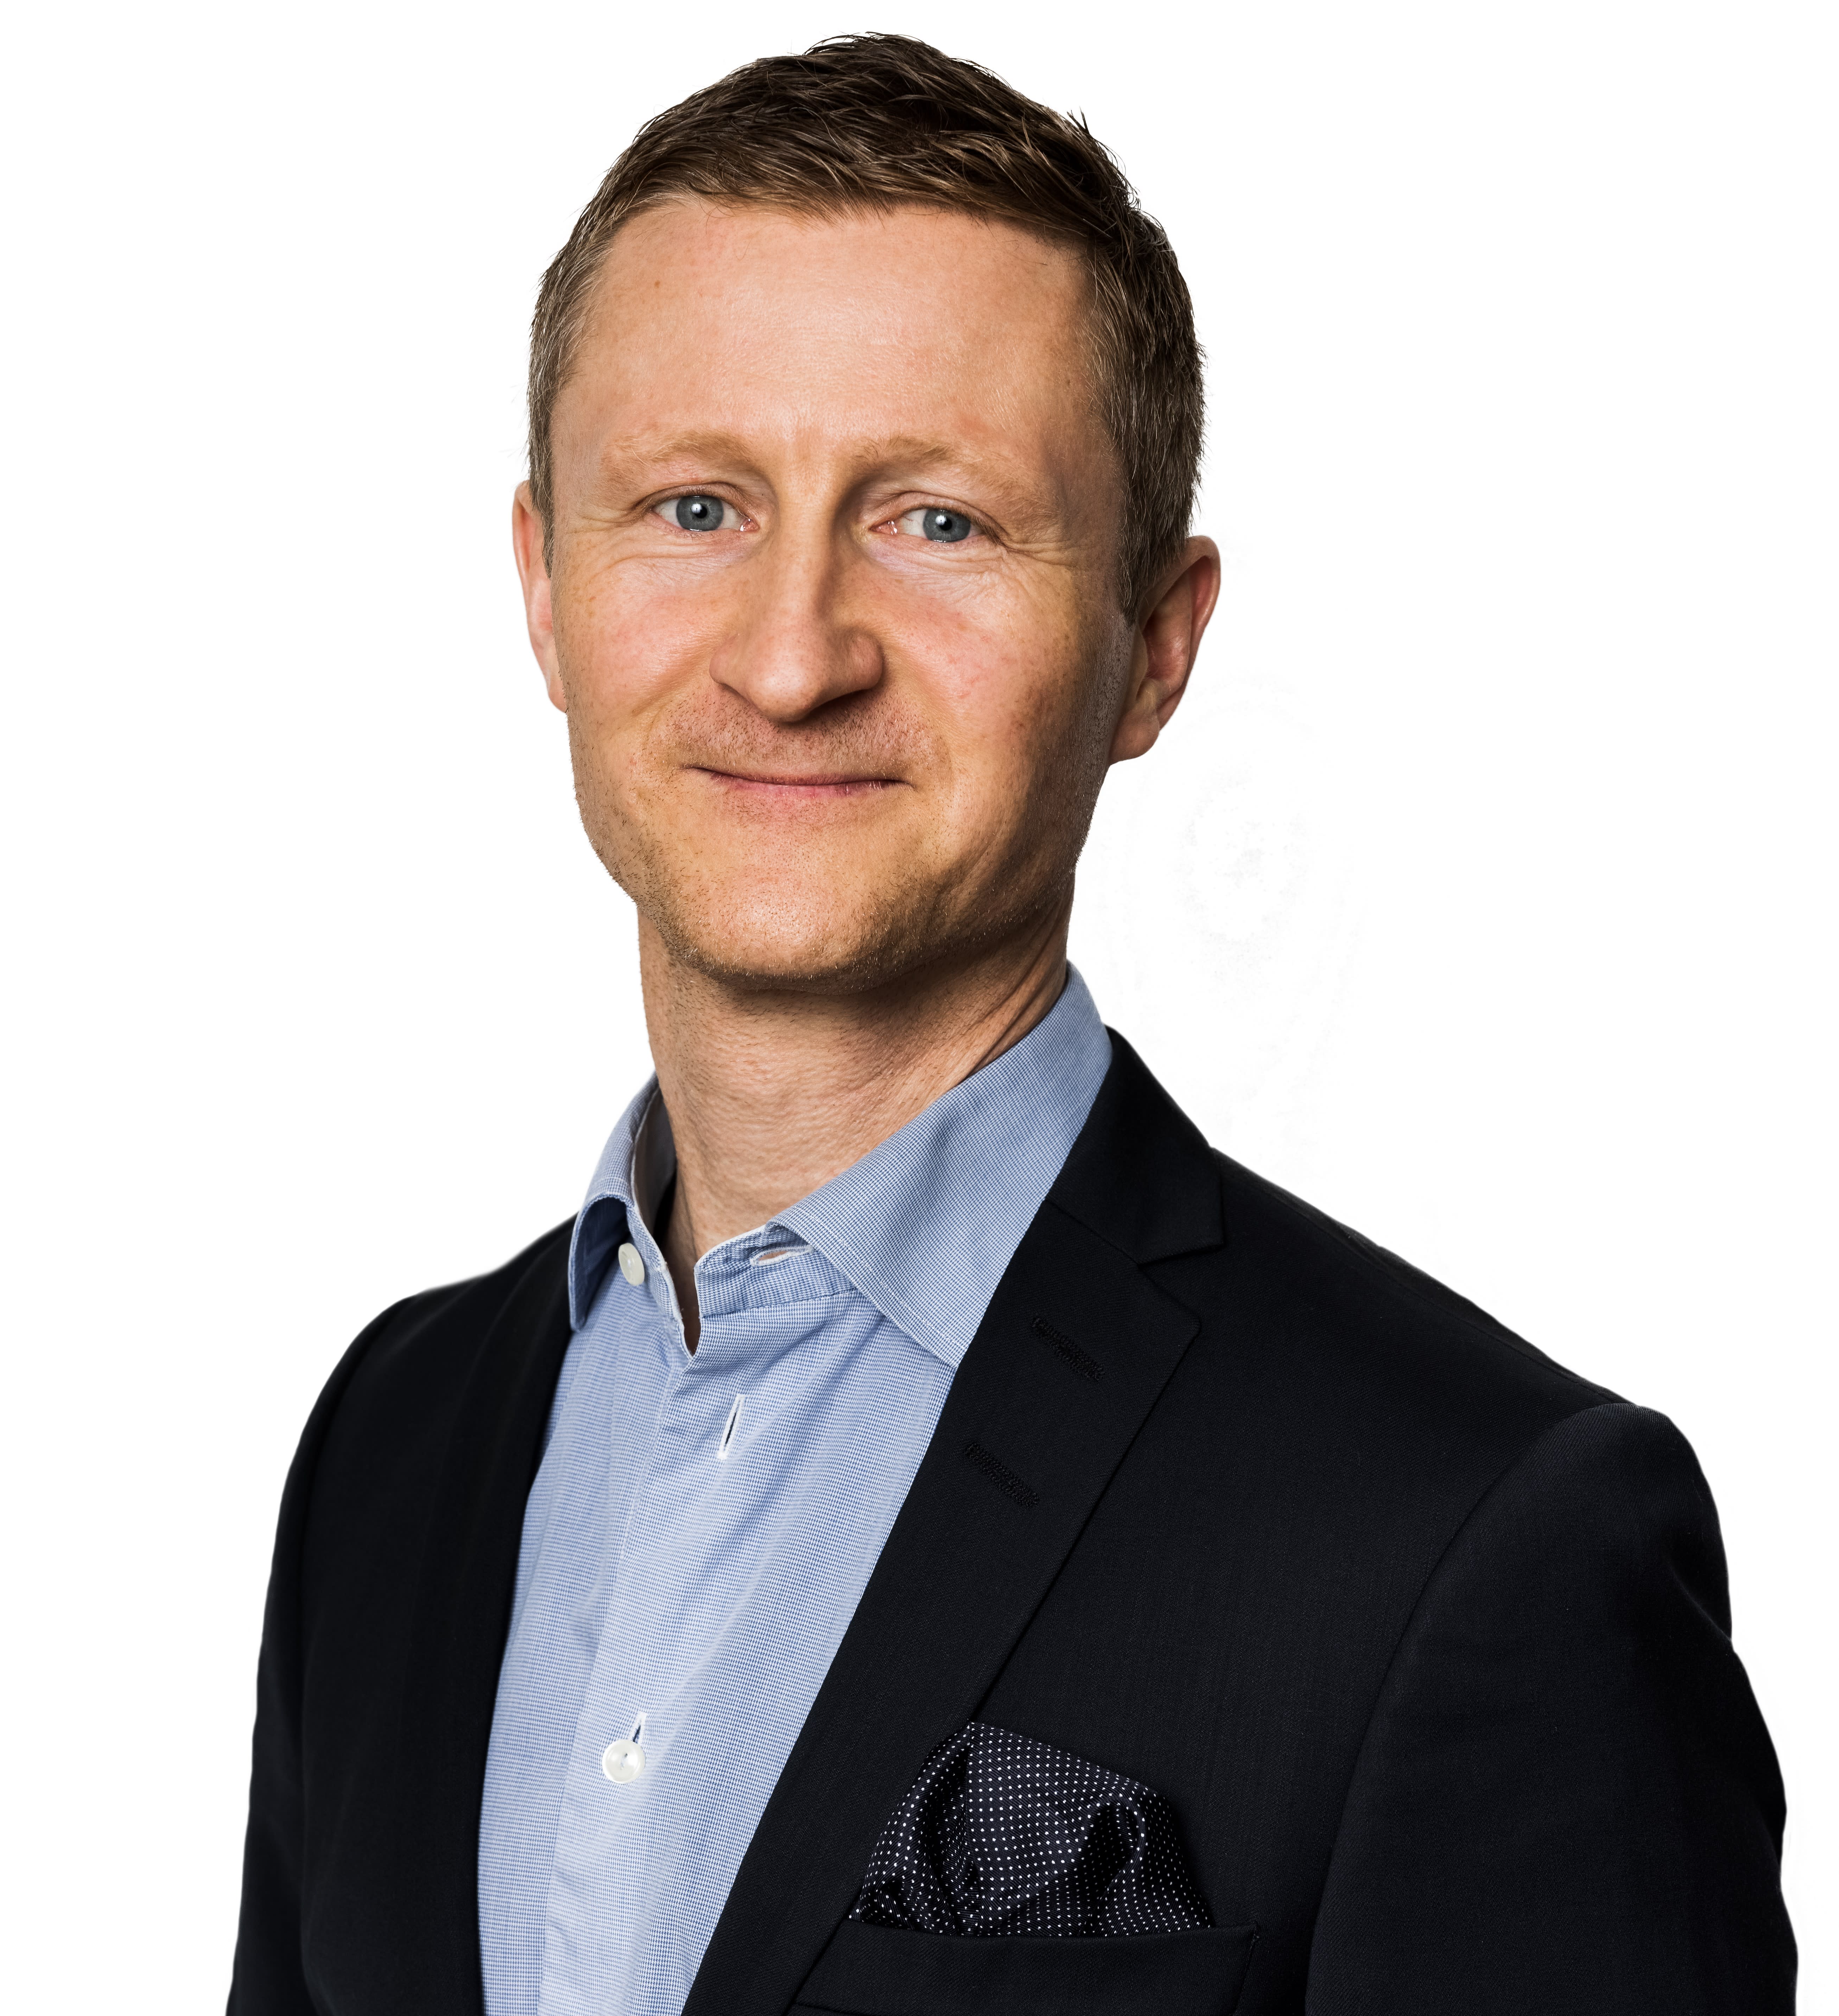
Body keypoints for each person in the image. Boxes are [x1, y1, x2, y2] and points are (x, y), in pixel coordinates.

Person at [227, 33, 1794, 2016]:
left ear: (1156, 642)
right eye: (695, 506)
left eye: (939, 523)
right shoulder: (390, 1447)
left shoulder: (1479, 1539)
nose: (792, 656)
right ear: (545, 585)